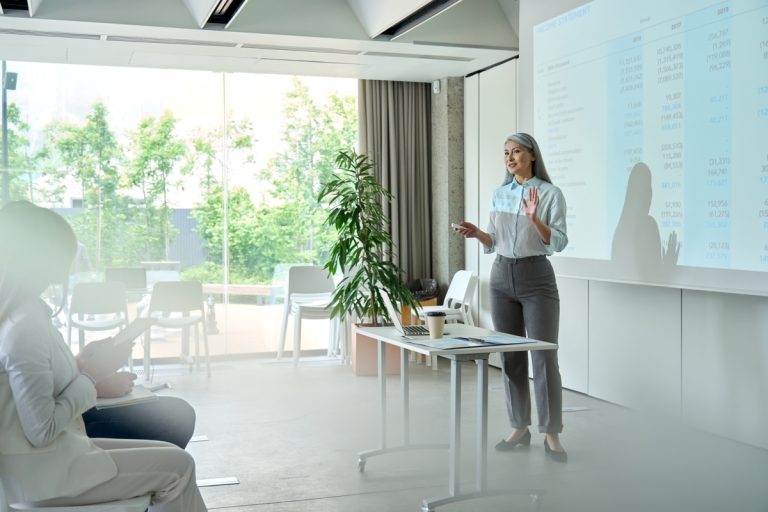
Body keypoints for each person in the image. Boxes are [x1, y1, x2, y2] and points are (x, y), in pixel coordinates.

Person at [0, 201, 207, 510]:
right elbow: (41, 430)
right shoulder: (25, 324)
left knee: (170, 454)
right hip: (44, 474)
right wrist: (91, 375)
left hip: (37, 465)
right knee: (179, 467)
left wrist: (80, 365)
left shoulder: (17, 314)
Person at [454, 132, 569, 463]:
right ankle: (519, 427)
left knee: (544, 357)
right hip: (502, 276)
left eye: (516, 151)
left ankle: (551, 433)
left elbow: (557, 242)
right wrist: (478, 234)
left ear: (532, 155)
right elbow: (494, 241)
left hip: (537, 279)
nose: (510, 157)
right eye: (506, 152)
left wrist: (535, 218)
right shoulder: (500, 194)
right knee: (509, 356)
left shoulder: (550, 193)